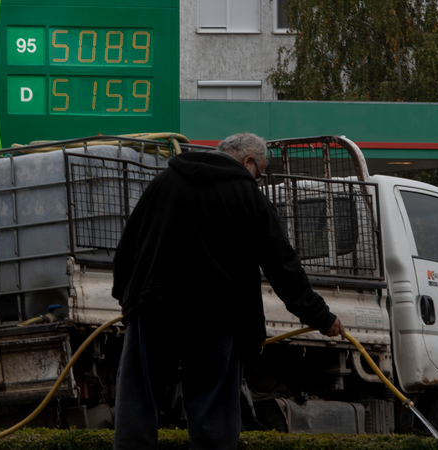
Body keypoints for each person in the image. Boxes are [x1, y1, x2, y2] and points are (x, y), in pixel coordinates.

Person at [111, 132, 345, 449]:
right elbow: (283, 266)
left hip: (153, 305)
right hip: (216, 314)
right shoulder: (248, 196)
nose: (257, 180)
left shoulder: (164, 182)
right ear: (249, 161)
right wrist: (322, 317)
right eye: (259, 173)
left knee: (138, 395)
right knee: (213, 407)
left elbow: (128, 246)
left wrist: (127, 300)